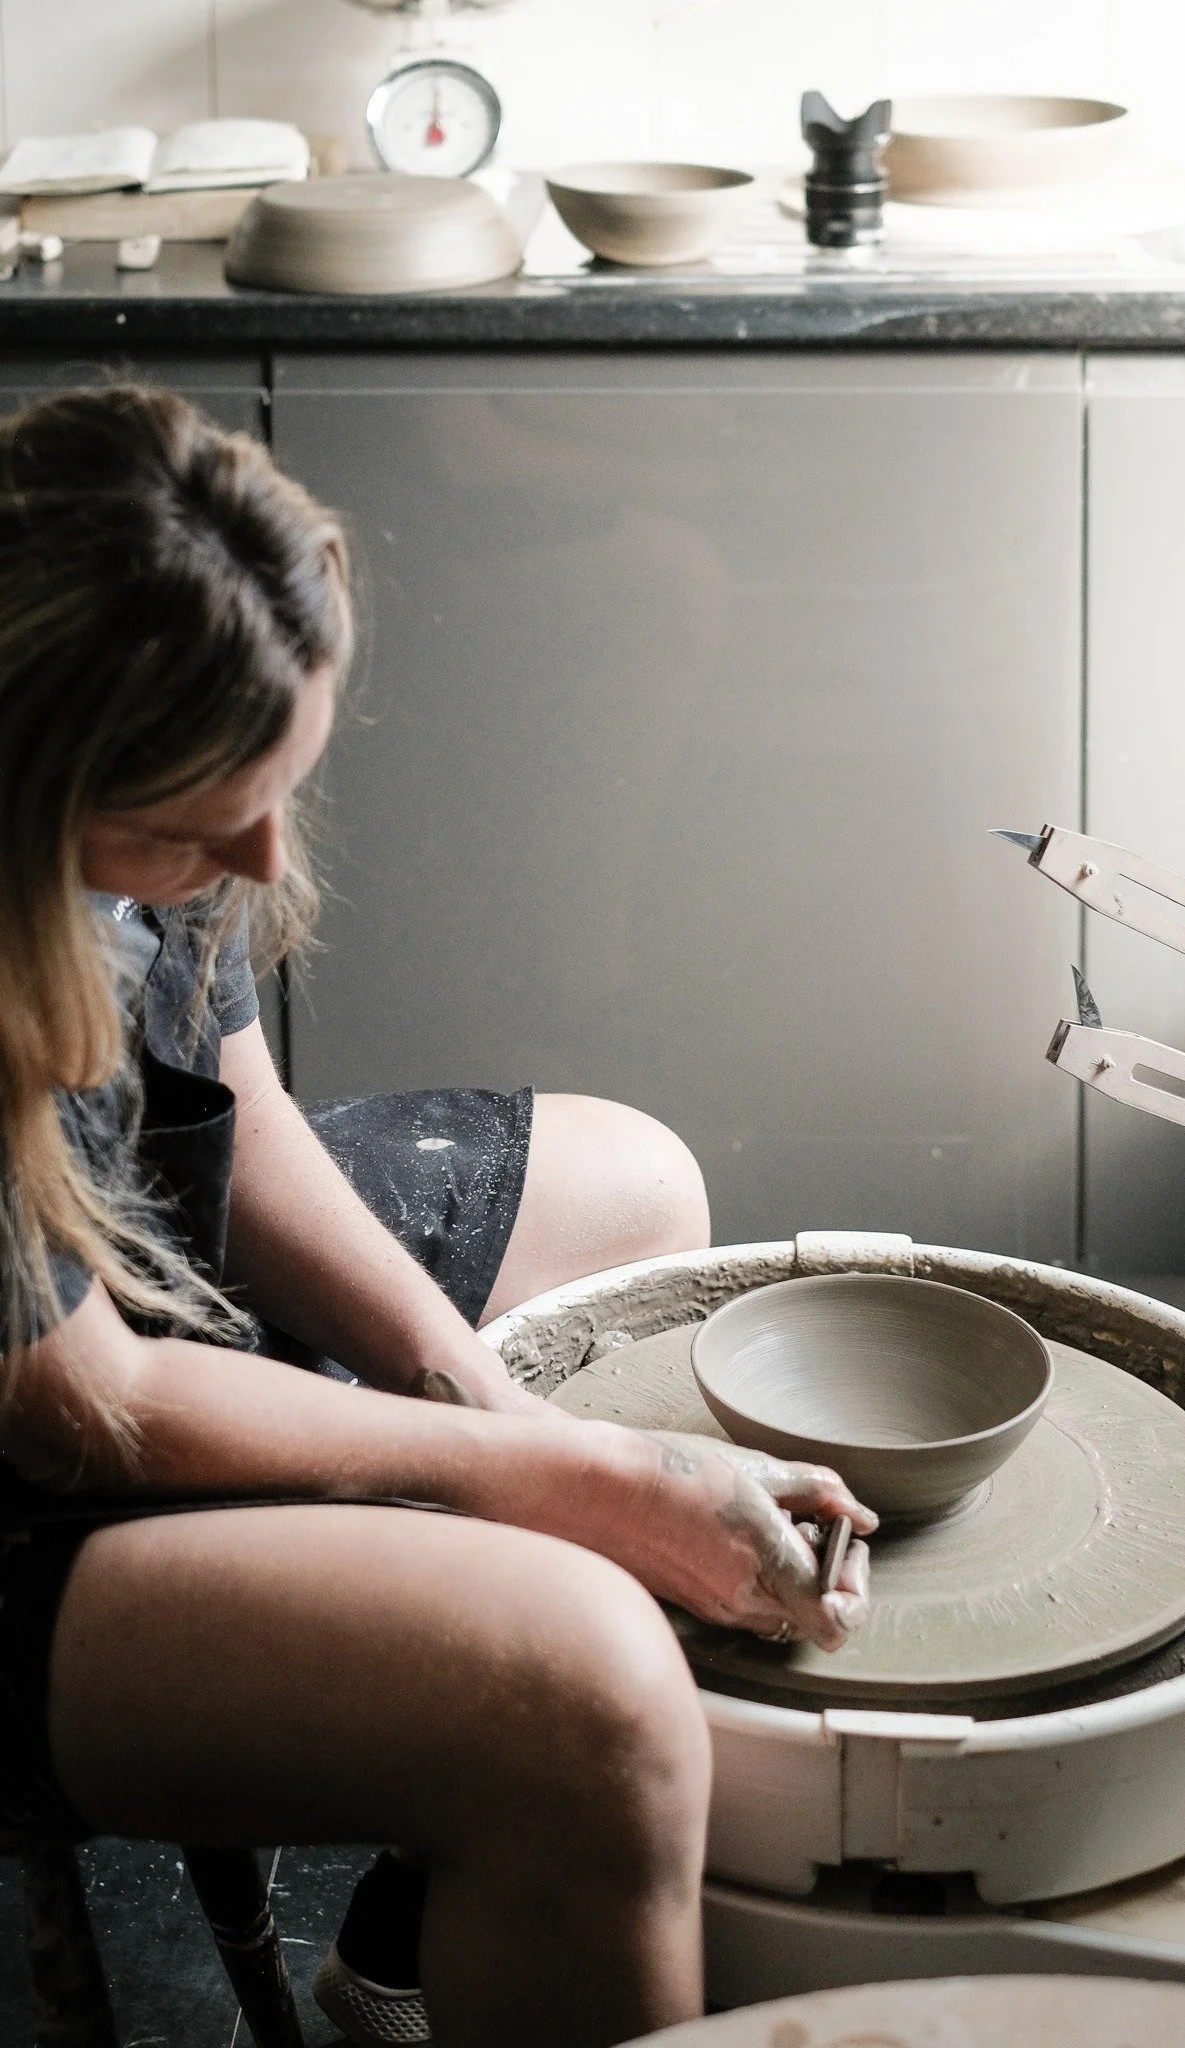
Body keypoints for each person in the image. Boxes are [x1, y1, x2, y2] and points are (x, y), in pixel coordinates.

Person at [0, 385, 875, 2048]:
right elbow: (88, 1401)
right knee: (595, 1697)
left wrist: (468, 1390)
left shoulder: (152, 778)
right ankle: (532, 1803)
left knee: (644, 1199)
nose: (262, 852)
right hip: (34, 1458)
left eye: (277, 786)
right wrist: (583, 1483)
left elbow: (235, 1110)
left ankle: (422, 1947)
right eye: (196, 825)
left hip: (104, 1261)